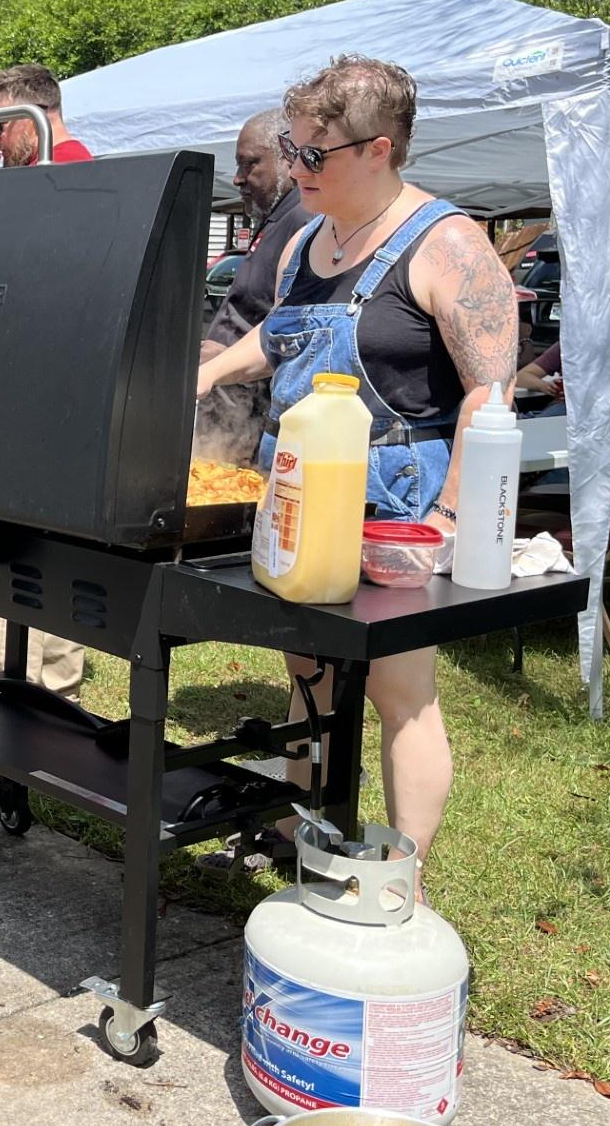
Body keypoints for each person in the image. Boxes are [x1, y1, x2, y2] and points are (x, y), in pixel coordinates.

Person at [196, 55, 519, 898]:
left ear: (377, 151)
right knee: (307, 669)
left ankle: (402, 878)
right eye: (294, 150)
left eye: (313, 155)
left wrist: (447, 521)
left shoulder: (449, 244)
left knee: (398, 689)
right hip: (298, 492)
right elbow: (277, 340)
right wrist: (201, 376)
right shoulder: (306, 238)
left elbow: (491, 389)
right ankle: (306, 828)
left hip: (394, 501)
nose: (295, 169)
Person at [0, 63, 95, 702]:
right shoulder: (26, 173)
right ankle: (10, 667)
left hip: (56, 385)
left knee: (53, 538)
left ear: (37, 115)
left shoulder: (73, 165)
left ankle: (54, 681)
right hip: (11, 379)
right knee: (5, 531)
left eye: (2, 123)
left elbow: (41, 261)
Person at [196, 109, 312, 462]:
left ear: (286, 159)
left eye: (249, 165)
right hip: (230, 406)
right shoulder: (279, 218)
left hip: (252, 411)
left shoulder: (304, 220)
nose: (238, 179)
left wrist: (225, 357)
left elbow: (294, 323)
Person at [515, 330, 610, 412]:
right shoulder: (571, 342)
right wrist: (545, 386)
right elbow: (522, 376)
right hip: (564, 409)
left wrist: (599, 392)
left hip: (606, 415)